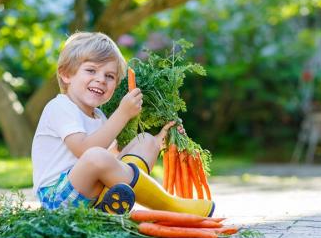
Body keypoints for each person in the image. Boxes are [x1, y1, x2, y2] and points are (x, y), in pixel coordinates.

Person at [31, 32, 214, 216]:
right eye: (91, 70)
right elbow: (84, 151)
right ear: (66, 75)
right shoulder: (60, 106)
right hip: (56, 199)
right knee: (95, 156)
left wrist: (160, 142)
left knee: (146, 141)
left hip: (91, 194)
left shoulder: (99, 116)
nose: (101, 79)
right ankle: (171, 206)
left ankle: (107, 206)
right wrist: (122, 113)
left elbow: (112, 157)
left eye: (109, 76)